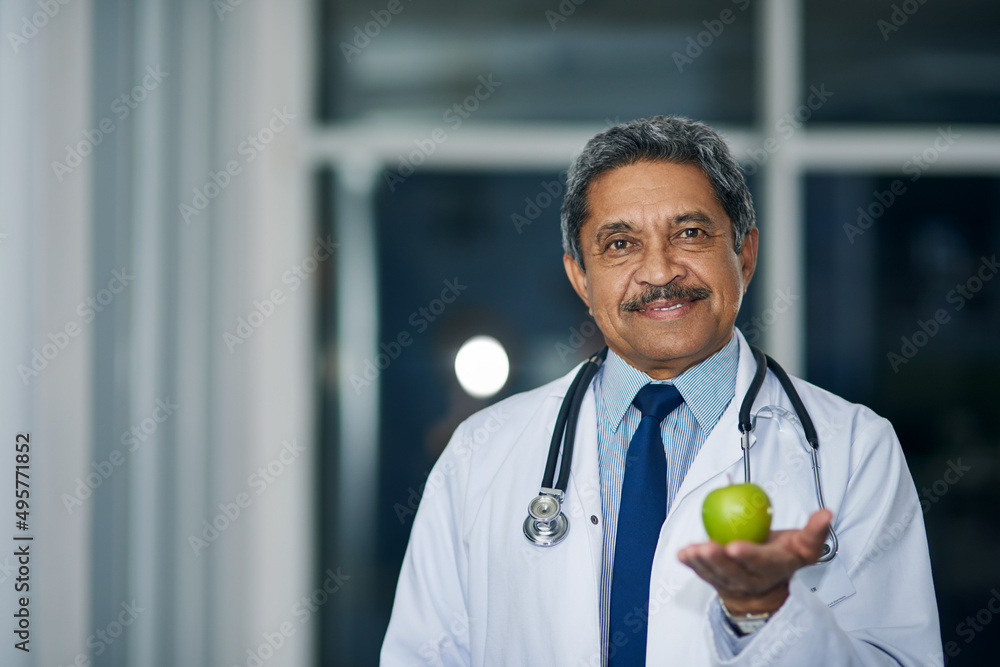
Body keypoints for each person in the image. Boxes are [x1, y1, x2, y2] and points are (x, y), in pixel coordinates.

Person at [381, 116, 942, 666]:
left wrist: (766, 611)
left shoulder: (854, 448)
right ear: (581, 277)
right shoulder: (481, 451)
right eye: (621, 243)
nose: (659, 271)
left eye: (690, 233)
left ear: (743, 254)